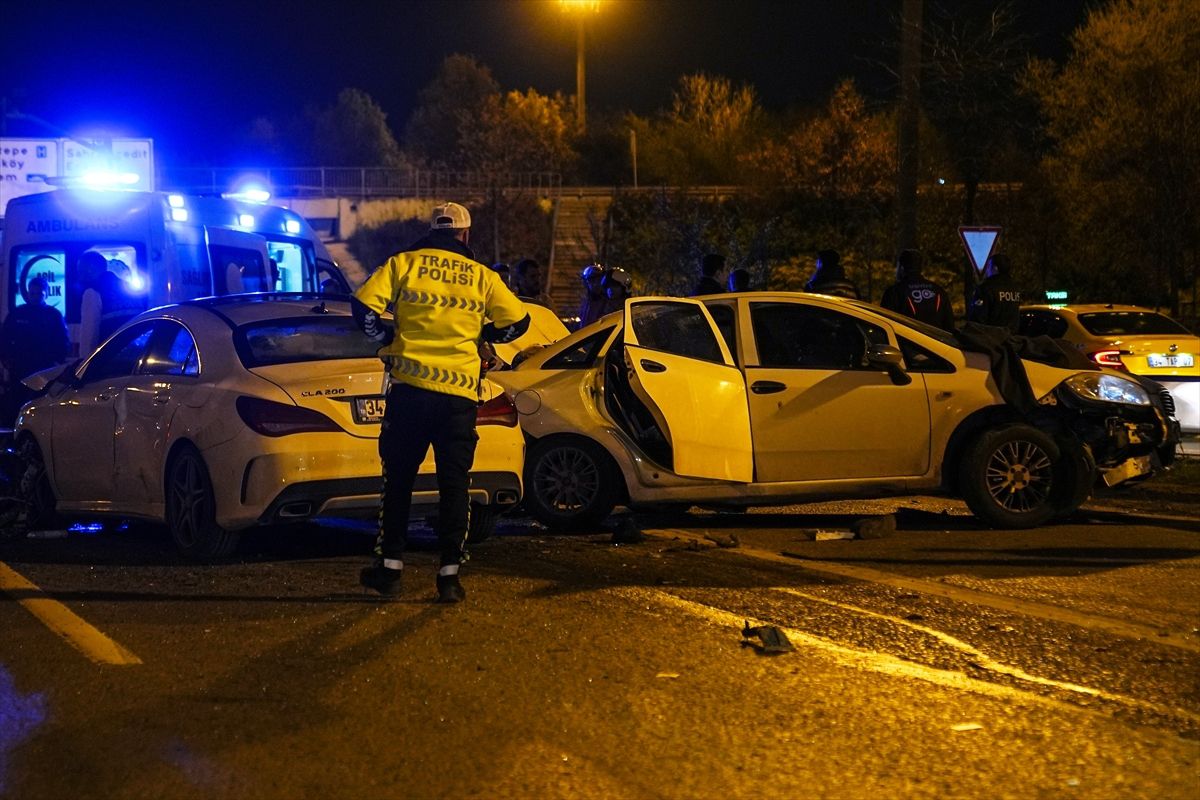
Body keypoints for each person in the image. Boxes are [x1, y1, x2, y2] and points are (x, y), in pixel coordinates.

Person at [352, 201, 530, 603]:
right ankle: (450, 575)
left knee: (398, 481)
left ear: (432, 230)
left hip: (410, 391)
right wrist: (482, 336)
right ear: (465, 235)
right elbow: (518, 322)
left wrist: (384, 339)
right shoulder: (482, 276)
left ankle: (390, 569)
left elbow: (363, 307)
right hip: (458, 397)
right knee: (455, 484)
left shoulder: (404, 263)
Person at [1, 276, 69, 422]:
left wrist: (57, 361)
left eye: (39, 294)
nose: (35, 297)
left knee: (41, 403)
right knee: (18, 403)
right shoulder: (17, 314)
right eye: (32, 293)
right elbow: (5, 338)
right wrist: (6, 359)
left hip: (44, 368)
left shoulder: (53, 315)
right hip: (20, 368)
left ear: (46, 294)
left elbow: (62, 341)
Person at [880, 249, 956, 331]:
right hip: (936, 342)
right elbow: (950, 326)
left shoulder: (894, 292)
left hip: (908, 341)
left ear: (901, 267)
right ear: (920, 268)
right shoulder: (938, 291)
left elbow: (885, 324)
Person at [967, 253, 1022, 332]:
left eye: (989, 266)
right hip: (1010, 339)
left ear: (995, 268)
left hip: (990, 339)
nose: (986, 270)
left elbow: (978, 318)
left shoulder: (987, 288)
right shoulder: (1015, 288)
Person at [576, 262, 607, 329]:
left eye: (598, 280)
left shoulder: (607, 301)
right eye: (592, 281)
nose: (595, 284)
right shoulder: (587, 301)